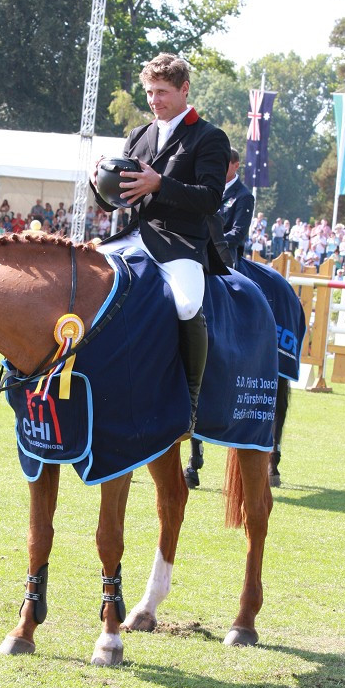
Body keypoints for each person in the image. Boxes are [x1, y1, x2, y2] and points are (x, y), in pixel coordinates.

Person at [90, 52, 230, 435]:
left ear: (184, 89)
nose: (155, 100)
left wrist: (161, 184)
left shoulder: (210, 137)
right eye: (150, 92)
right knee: (83, 281)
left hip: (181, 242)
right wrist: (98, 183)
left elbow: (210, 198)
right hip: (134, 235)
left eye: (163, 92)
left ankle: (191, 404)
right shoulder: (138, 135)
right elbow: (119, 199)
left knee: (186, 305)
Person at [216, 147, 254, 266]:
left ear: (236, 166)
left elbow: (238, 232)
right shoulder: (211, 187)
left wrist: (213, 242)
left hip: (227, 253)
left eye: (225, 164)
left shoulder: (244, 196)